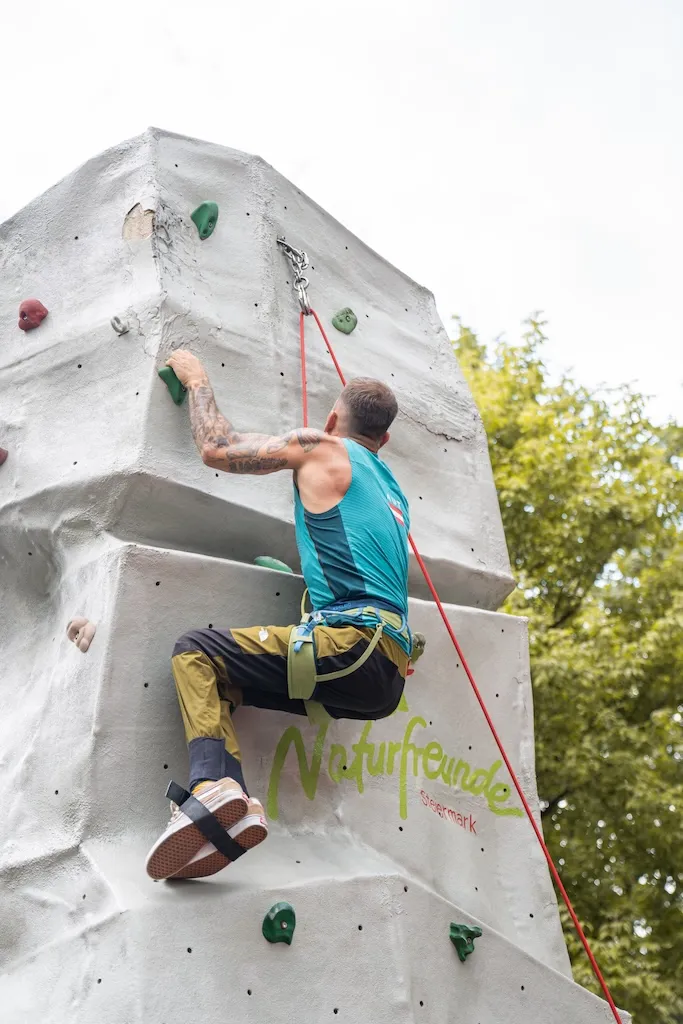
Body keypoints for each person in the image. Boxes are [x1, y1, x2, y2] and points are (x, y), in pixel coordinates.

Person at [146, 349, 412, 881]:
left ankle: (208, 790)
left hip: (350, 645)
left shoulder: (322, 446)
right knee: (224, 687)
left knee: (196, 651)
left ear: (333, 421)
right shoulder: (395, 493)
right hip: (384, 679)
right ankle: (231, 807)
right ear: (384, 440)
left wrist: (197, 378)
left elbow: (217, 449)